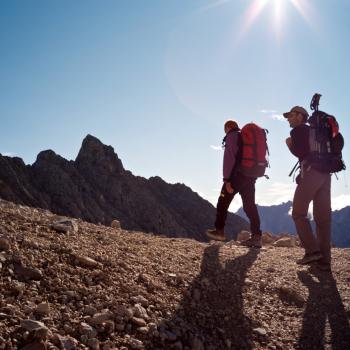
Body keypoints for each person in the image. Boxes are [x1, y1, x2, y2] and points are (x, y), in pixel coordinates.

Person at [284, 106, 332, 270]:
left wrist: (289, 146)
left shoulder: (298, 130)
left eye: (290, 115)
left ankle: (312, 251)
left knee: (298, 213)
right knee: (323, 220)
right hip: (326, 174)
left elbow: (300, 151)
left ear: (299, 116)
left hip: (311, 172)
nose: (288, 119)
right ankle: (324, 262)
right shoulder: (315, 131)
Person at [206, 120, 262, 247]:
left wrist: (227, 180)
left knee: (222, 203)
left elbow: (229, 159)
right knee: (249, 206)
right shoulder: (244, 136)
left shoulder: (232, 136)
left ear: (227, 127)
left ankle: (219, 231)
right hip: (250, 176)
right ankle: (257, 236)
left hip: (236, 177)